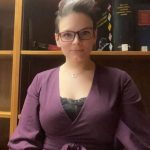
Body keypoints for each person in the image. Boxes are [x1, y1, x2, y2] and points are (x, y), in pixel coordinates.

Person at [8, 0, 150, 149]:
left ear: (95, 36)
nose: (76, 41)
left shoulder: (120, 81)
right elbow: (23, 140)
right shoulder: (40, 81)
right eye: (68, 35)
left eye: (85, 33)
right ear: (57, 39)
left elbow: (138, 142)